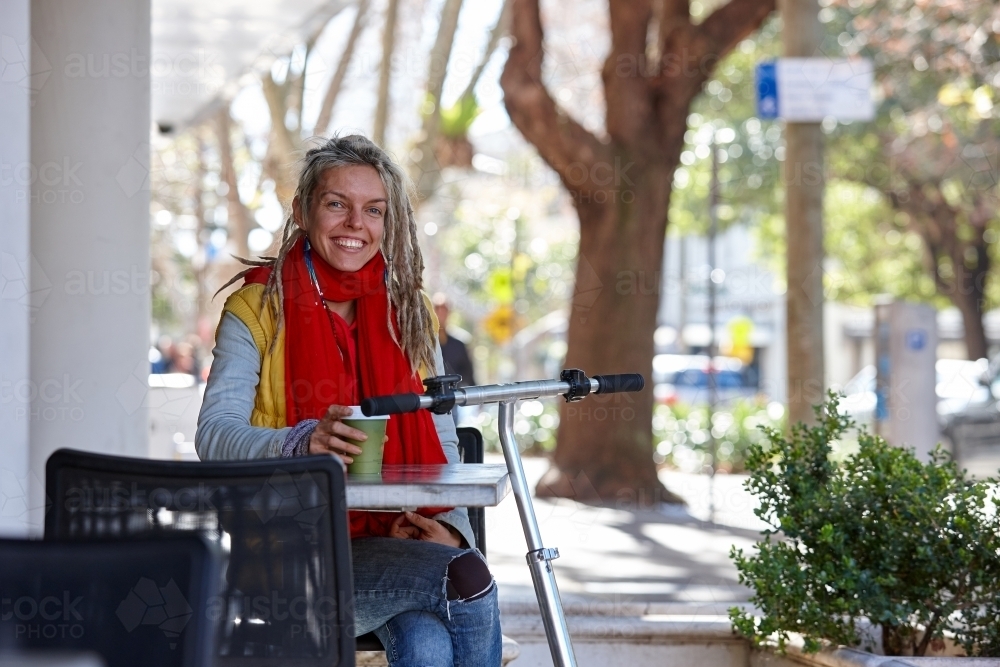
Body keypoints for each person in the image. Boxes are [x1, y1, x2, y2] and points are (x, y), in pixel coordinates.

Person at [195, 135, 502, 666]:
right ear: (302, 210)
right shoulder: (255, 309)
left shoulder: (411, 313)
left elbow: (443, 436)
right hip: (287, 557)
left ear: (388, 221)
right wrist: (301, 441)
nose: (356, 223)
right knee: (467, 576)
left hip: (396, 540)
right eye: (337, 204)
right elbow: (214, 437)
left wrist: (450, 525)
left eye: (373, 210)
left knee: (428, 645)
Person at [432, 294, 477, 388]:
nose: (441, 313)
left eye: (444, 309)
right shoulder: (424, 346)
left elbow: (469, 376)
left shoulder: (459, 345)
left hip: (455, 397)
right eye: (438, 309)